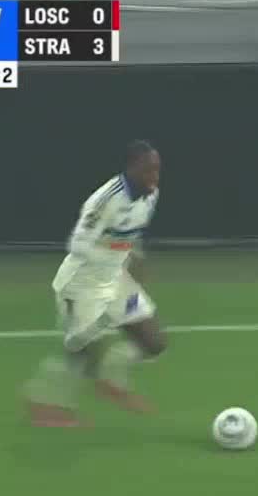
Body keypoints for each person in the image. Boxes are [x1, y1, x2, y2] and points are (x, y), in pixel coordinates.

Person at [25, 140, 167, 427]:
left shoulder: (150, 195)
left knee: (153, 342)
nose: (154, 177)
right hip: (81, 283)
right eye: (148, 170)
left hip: (116, 279)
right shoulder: (104, 200)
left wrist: (136, 258)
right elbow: (77, 244)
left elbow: (132, 234)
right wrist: (111, 260)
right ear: (131, 168)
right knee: (84, 350)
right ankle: (44, 402)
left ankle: (111, 382)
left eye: (157, 170)